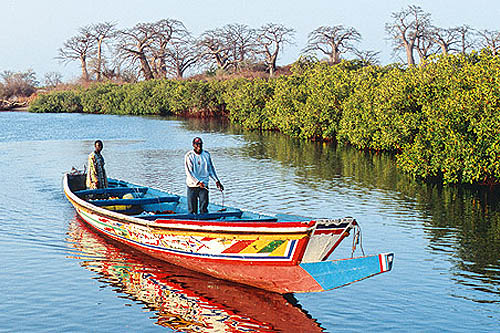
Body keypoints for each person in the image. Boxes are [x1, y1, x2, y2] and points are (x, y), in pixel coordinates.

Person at [185, 137, 224, 214]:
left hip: (204, 185)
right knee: (192, 210)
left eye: (200, 144)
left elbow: (210, 169)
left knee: (204, 208)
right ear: (193, 145)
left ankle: (204, 221)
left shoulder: (206, 154)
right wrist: (198, 182)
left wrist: (217, 181)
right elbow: (189, 172)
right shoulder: (189, 156)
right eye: (197, 144)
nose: (199, 146)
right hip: (192, 185)